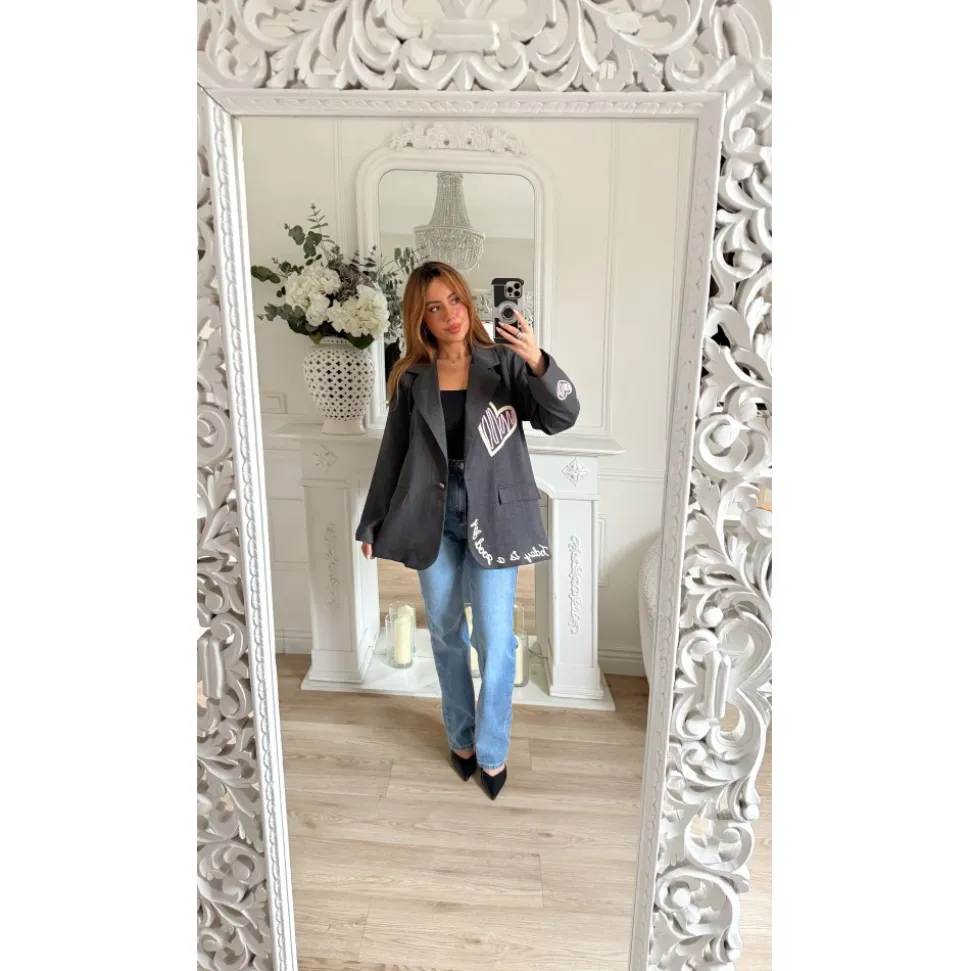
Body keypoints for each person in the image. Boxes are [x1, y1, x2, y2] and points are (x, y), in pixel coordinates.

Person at [355, 261, 580, 800]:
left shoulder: (504, 363)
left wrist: (538, 360)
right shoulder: (411, 377)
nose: (450, 315)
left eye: (454, 300)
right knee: (445, 632)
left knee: (496, 641)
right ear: (421, 318)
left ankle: (492, 748)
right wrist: (373, 520)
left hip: (495, 512)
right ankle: (461, 737)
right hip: (430, 514)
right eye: (434, 307)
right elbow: (393, 453)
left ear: (468, 301)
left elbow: (563, 415)